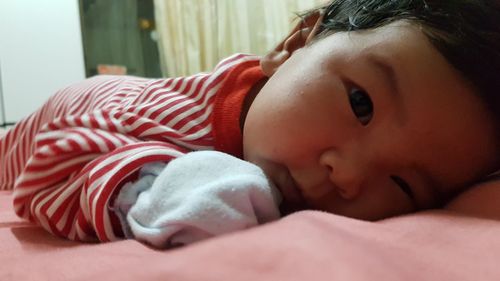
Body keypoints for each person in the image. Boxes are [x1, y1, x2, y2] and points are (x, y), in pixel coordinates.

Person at [1, 0, 500, 246]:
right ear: (293, 45)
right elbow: (52, 164)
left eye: (403, 184)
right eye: (360, 103)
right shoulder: (168, 120)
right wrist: (155, 189)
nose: (346, 176)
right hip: (56, 118)